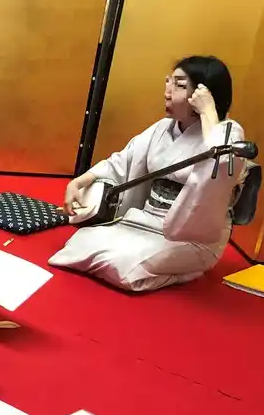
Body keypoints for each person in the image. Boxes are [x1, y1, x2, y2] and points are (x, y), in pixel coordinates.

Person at [50, 56, 250, 292]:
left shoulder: (227, 133)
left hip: (189, 236)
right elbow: (123, 160)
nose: (168, 92)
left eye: (179, 85)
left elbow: (222, 168)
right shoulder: (163, 127)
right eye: (168, 82)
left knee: (124, 266)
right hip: (145, 220)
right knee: (80, 244)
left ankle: (189, 268)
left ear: (203, 95)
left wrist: (209, 113)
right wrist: (80, 182)